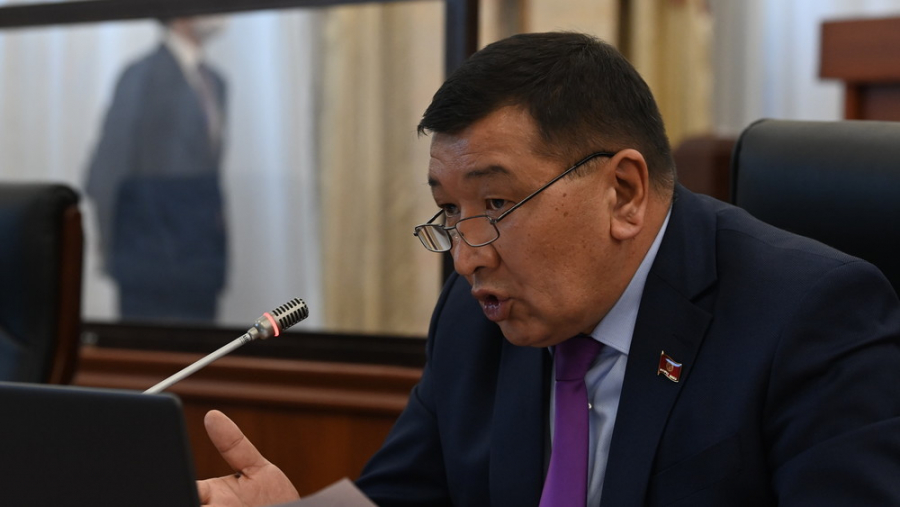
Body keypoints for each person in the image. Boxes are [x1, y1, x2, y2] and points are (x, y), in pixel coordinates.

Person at [197, 32, 900, 506]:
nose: (467, 255)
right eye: (450, 211)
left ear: (623, 192)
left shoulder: (810, 318)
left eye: (497, 203)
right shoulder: (475, 318)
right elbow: (405, 494)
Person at [85, 16, 229, 322]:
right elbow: (107, 171)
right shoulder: (141, 75)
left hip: (202, 267)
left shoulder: (216, 81)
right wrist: (118, 254)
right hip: (151, 269)